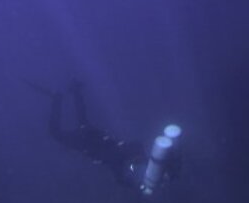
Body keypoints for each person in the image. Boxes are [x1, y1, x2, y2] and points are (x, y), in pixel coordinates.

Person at [42, 80, 181, 194]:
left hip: (96, 137)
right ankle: (60, 97)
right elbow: (120, 179)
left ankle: (72, 92)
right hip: (87, 143)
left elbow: (136, 148)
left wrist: (139, 182)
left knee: (81, 123)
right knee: (60, 131)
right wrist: (138, 186)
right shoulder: (119, 160)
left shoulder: (133, 151)